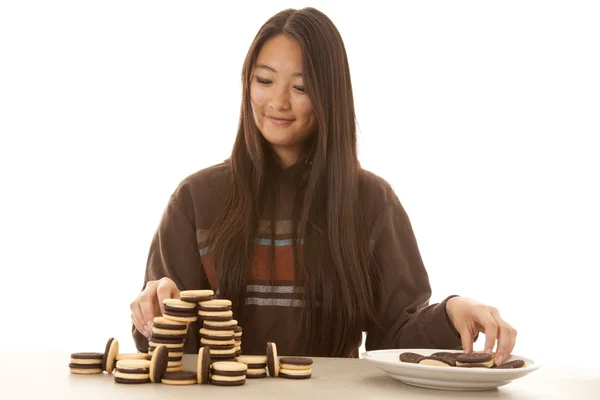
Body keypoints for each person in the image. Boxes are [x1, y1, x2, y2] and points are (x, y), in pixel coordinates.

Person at [129, 7, 517, 365]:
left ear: (329, 96)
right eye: (264, 80)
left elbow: (396, 338)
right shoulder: (196, 199)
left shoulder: (371, 203)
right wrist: (153, 309)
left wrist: (452, 312)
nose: (278, 101)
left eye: (301, 87)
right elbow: (161, 346)